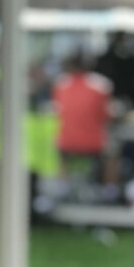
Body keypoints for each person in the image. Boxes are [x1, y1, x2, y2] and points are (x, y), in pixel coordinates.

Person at [52, 53, 117, 190]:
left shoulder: (60, 84)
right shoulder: (101, 85)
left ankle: (62, 186)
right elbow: (106, 116)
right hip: (94, 142)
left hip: (66, 141)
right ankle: (109, 189)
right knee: (114, 152)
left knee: (56, 145)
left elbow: (57, 112)